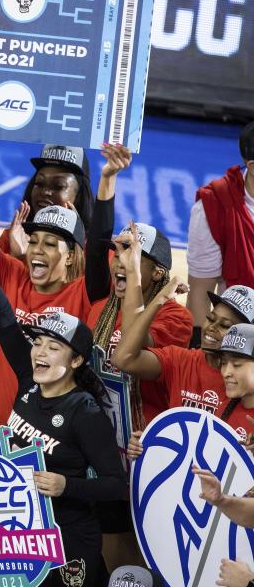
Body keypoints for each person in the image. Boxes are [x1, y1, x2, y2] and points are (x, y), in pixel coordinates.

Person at [0, 229, 129, 587]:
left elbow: (117, 486)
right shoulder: (29, 380)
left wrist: (65, 486)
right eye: (38, 342)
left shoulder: (85, 413)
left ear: (75, 361)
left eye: (52, 348)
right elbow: (5, 324)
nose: (40, 352)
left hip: (67, 541)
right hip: (21, 529)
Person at [0, 133, 130, 428]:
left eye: (50, 243)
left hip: (58, 434)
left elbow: (99, 247)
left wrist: (108, 180)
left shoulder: (85, 288)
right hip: (2, 426)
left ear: (72, 255)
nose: (38, 248)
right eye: (35, 240)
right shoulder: (15, 270)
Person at [86, 222, 192, 571]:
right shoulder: (99, 308)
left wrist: (140, 286)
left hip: (144, 451)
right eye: (118, 251)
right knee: (104, 541)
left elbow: (132, 350)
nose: (120, 260)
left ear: (158, 271)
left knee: (140, 548)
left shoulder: (176, 317)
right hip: (103, 450)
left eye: (132, 254)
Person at [114, 277, 254, 433]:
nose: (211, 327)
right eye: (210, 318)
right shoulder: (180, 360)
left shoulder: (245, 382)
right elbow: (123, 359)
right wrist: (161, 298)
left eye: (225, 325)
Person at [187, 122, 254, 345]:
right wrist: (198, 349)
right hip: (238, 338)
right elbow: (201, 289)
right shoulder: (213, 206)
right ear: (252, 165)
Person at [1, 144, 96, 258]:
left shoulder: (94, 250)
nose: (46, 192)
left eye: (58, 186)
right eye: (39, 184)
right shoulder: (11, 237)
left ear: (79, 196)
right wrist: (18, 258)